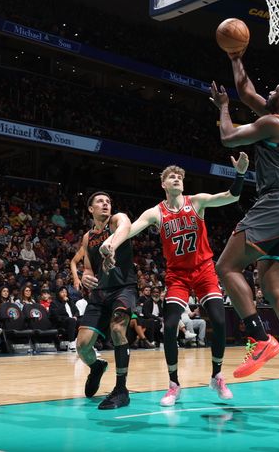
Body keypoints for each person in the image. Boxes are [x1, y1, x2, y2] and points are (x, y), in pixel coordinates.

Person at [209, 52, 279, 402]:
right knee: (273, 284)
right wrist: (235, 57)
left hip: (275, 203)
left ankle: (259, 338)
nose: (267, 92)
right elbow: (247, 91)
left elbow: (228, 136)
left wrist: (223, 107)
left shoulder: (274, 123)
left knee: (226, 266)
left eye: (273, 91)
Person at [104, 158, 249, 406]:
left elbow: (231, 196)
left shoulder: (197, 201)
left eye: (180, 177)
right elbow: (129, 230)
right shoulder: (156, 212)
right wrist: (112, 245)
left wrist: (240, 175)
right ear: (163, 184)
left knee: (219, 319)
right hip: (178, 275)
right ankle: (173, 384)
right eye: (172, 177)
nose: (177, 179)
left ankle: (217, 375)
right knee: (170, 326)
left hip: (204, 270)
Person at [74, 191, 135, 410]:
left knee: (118, 329)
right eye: (100, 201)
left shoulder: (117, 220)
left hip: (123, 288)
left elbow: (126, 227)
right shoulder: (88, 237)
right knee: (82, 347)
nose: (106, 204)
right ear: (91, 209)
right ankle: (97, 366)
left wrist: (111, 246)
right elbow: (89, 268)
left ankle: (121, 389)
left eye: (108, 201)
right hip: (100, 294)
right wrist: (86, 276)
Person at [50, 286, 80, 351]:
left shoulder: (70, 301)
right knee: (71, 320)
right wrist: (63, 302)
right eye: (62, 292)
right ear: (58, 293)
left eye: (65, 292)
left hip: (71, 320)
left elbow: (77, 311)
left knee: (82, 320)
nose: (64, 294)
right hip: (60, 322)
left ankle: (80, 341)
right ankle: (71, 343)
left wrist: (75, 316)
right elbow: (56, 314)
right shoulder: (54, 303)